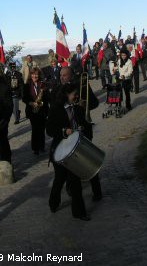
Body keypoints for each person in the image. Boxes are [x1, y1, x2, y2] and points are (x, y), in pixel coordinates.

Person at [46, 82, 101, 220]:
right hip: (60, 148)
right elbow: (50, 130)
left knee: (75, 181)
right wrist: (64, 131)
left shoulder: (77, 107)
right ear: (66, 95)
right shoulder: (56, 108)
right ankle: (53, 202)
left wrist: (83, 127)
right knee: (60, 179)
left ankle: (79, 212)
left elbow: (85, 122)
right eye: (73, 94)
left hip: (74, 149)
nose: (76, 96)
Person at [23, 67, 50, 155]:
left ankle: (41, 146)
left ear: (39, 75)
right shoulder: (27, 85)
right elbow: (24, 98)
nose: (35, 76)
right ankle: (35, 148)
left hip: (42, 110)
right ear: (30, 75)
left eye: (36, 74)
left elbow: (47, 97)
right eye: (33, 74)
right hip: (32, 110)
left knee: (42, 129)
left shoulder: (43, 84)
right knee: (35, 129)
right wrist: (31, 103)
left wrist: (45, 92)